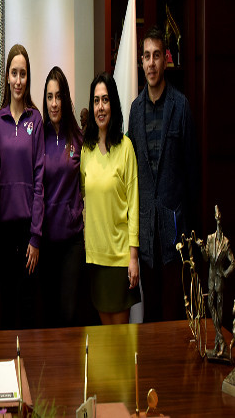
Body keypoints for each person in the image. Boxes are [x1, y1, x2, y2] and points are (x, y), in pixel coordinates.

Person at [128, 25, 198, 323]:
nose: (151, 63)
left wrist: (191, 233)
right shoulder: (135, 110)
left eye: (157, 55)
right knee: (151, 317)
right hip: (146, 234)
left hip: (175, 234)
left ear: (165, 60)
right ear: (141, 61)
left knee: (175, 316)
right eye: (146, 56)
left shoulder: (181, 106)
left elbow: (192, 175)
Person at [0, 44, 45, 329]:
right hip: (3, 229)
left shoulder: (36, 120)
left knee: (27, 309)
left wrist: (35, 237)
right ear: (7, 77)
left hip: (27, 231)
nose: (18, 80)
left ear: (28, 77)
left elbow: (39, 180)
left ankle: (28, 360)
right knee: (6, 308)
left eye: (23, 74)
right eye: (14, 73)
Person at [80, 72, 140, 325]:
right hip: (95, 258)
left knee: (122, 338)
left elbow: (134, 206)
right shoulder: (86, 150)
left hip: (120, 258)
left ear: (113, 104)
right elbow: (83, 196)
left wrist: (133, 257)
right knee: (105, 338)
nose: (100, 107)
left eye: (105, 100)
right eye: (96, 101)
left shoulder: (126, 148)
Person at [40, 66, 84, 327]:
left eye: (58, 96)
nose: (54, 103)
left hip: (72, 242)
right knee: (49, 315)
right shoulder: (39, 137)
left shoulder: (78, 138)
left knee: (69, 313)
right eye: (49, 97)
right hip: (46, 241)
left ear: (65, 98)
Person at [196, 205, 235, 356]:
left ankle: (219, 345)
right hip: (211, 278)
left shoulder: (226, 242)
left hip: (220, 280)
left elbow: (233, 262)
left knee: (219, 310)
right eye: (216, 215)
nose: (218, 218)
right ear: (214, 217)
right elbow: (206, 258)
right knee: (210, 305)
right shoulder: (210, 238)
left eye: (220, 215)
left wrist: (225, 273)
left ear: (221, 217)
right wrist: (201, 248)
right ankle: (221, 340)